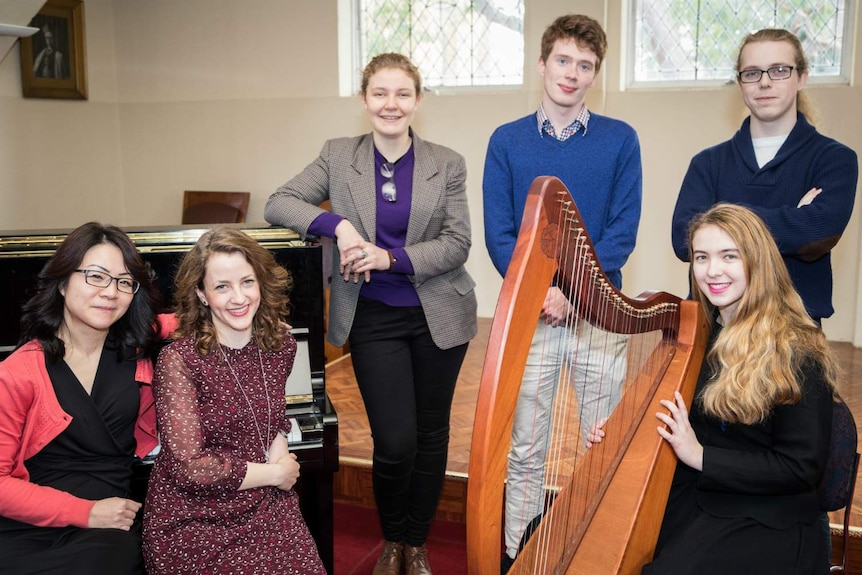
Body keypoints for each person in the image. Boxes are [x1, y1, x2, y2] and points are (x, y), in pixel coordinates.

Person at [265, 52, 477, 575]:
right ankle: (391, 537)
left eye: (402, 94)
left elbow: (458, 243)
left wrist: (390, 257)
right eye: (380, 93)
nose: (391, 104)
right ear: (364, 100)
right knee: (395, 439)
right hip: (373, 316)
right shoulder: (339, 155)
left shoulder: (445, 162)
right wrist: (335, 226)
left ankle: (416, 543)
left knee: (432, 436)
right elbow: (279, 202)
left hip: (439, 315)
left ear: (417, 101)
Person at [482, 13, 642, 572]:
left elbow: (623, 229)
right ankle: (516, 553)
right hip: (533, 316)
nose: (572, 74)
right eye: (564, 61)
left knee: (603, 447)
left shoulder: (621, 140)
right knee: (526, 448)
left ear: (596, 73)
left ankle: (600, 550)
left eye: (586, 65)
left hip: (601, 317)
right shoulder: (506, 141)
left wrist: (575, 294)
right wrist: (541, 294)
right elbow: (500, 235)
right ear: (543, 63)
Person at [644, 203, 837, 574]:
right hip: (704, 494)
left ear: (757, 262)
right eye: (702, 257)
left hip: (768, 515)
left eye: (728, 256)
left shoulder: (796, 348)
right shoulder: (701, 336)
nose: (712, 270)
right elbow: (685, 422)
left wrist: (699, 455)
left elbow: (800, 468)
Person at [141, 228, 325, 574]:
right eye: (222, 286)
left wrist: (280, 454)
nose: (238, 297)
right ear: (202, 294)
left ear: (262, 284)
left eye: (247, 282)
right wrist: (275, 474)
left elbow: (273, 419)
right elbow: (189, 469)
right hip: (194, 516)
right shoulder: (179, 360)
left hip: (263, 500)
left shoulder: (281, 345)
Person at [0, 222, 168, 575]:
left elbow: (189, 320)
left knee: (112, 559)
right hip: (26, 524)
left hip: (109, 527)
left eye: (124, 282)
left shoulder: (134, 347)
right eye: (96, 276)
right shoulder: (17, 372)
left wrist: (257, 321)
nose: (110, 292)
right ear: (62, 282)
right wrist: (85, 512)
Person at [671, 28, 858, 326]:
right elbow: (683, 240)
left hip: (795, 328)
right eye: (752, 73)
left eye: (779, 70)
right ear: (740, 82)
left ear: (802, 78)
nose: (765, 81)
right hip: (715, 327)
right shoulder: (707, 163)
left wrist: (719, 221)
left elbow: (819, 231)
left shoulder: (834, 158)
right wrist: (793, 219)